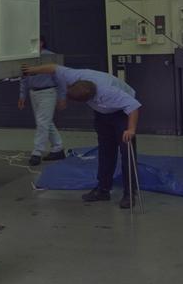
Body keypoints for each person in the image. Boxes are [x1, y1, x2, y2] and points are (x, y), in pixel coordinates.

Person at [21, 63, 142, 208]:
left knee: (126, 152)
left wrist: (131, 129)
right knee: (105, 150)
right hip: (102, 114)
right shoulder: (73, 75)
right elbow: (53, 67)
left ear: (91, 98)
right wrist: (32, 69)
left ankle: (130, 194)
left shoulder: (109, 92)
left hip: (123, 113)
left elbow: (134, 106)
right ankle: (103, 190)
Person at [18, 37, 65, 166]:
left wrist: (62, 97)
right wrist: (22, 96)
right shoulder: (28, 58)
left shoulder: (50, 57)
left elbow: (60, 78)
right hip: (34, 92)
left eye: (36, 42)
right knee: (46, 122)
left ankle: (37, 152)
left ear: (42, 43)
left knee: (42, 122)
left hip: (48, 92)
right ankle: (58, 147)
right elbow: (24, 77)